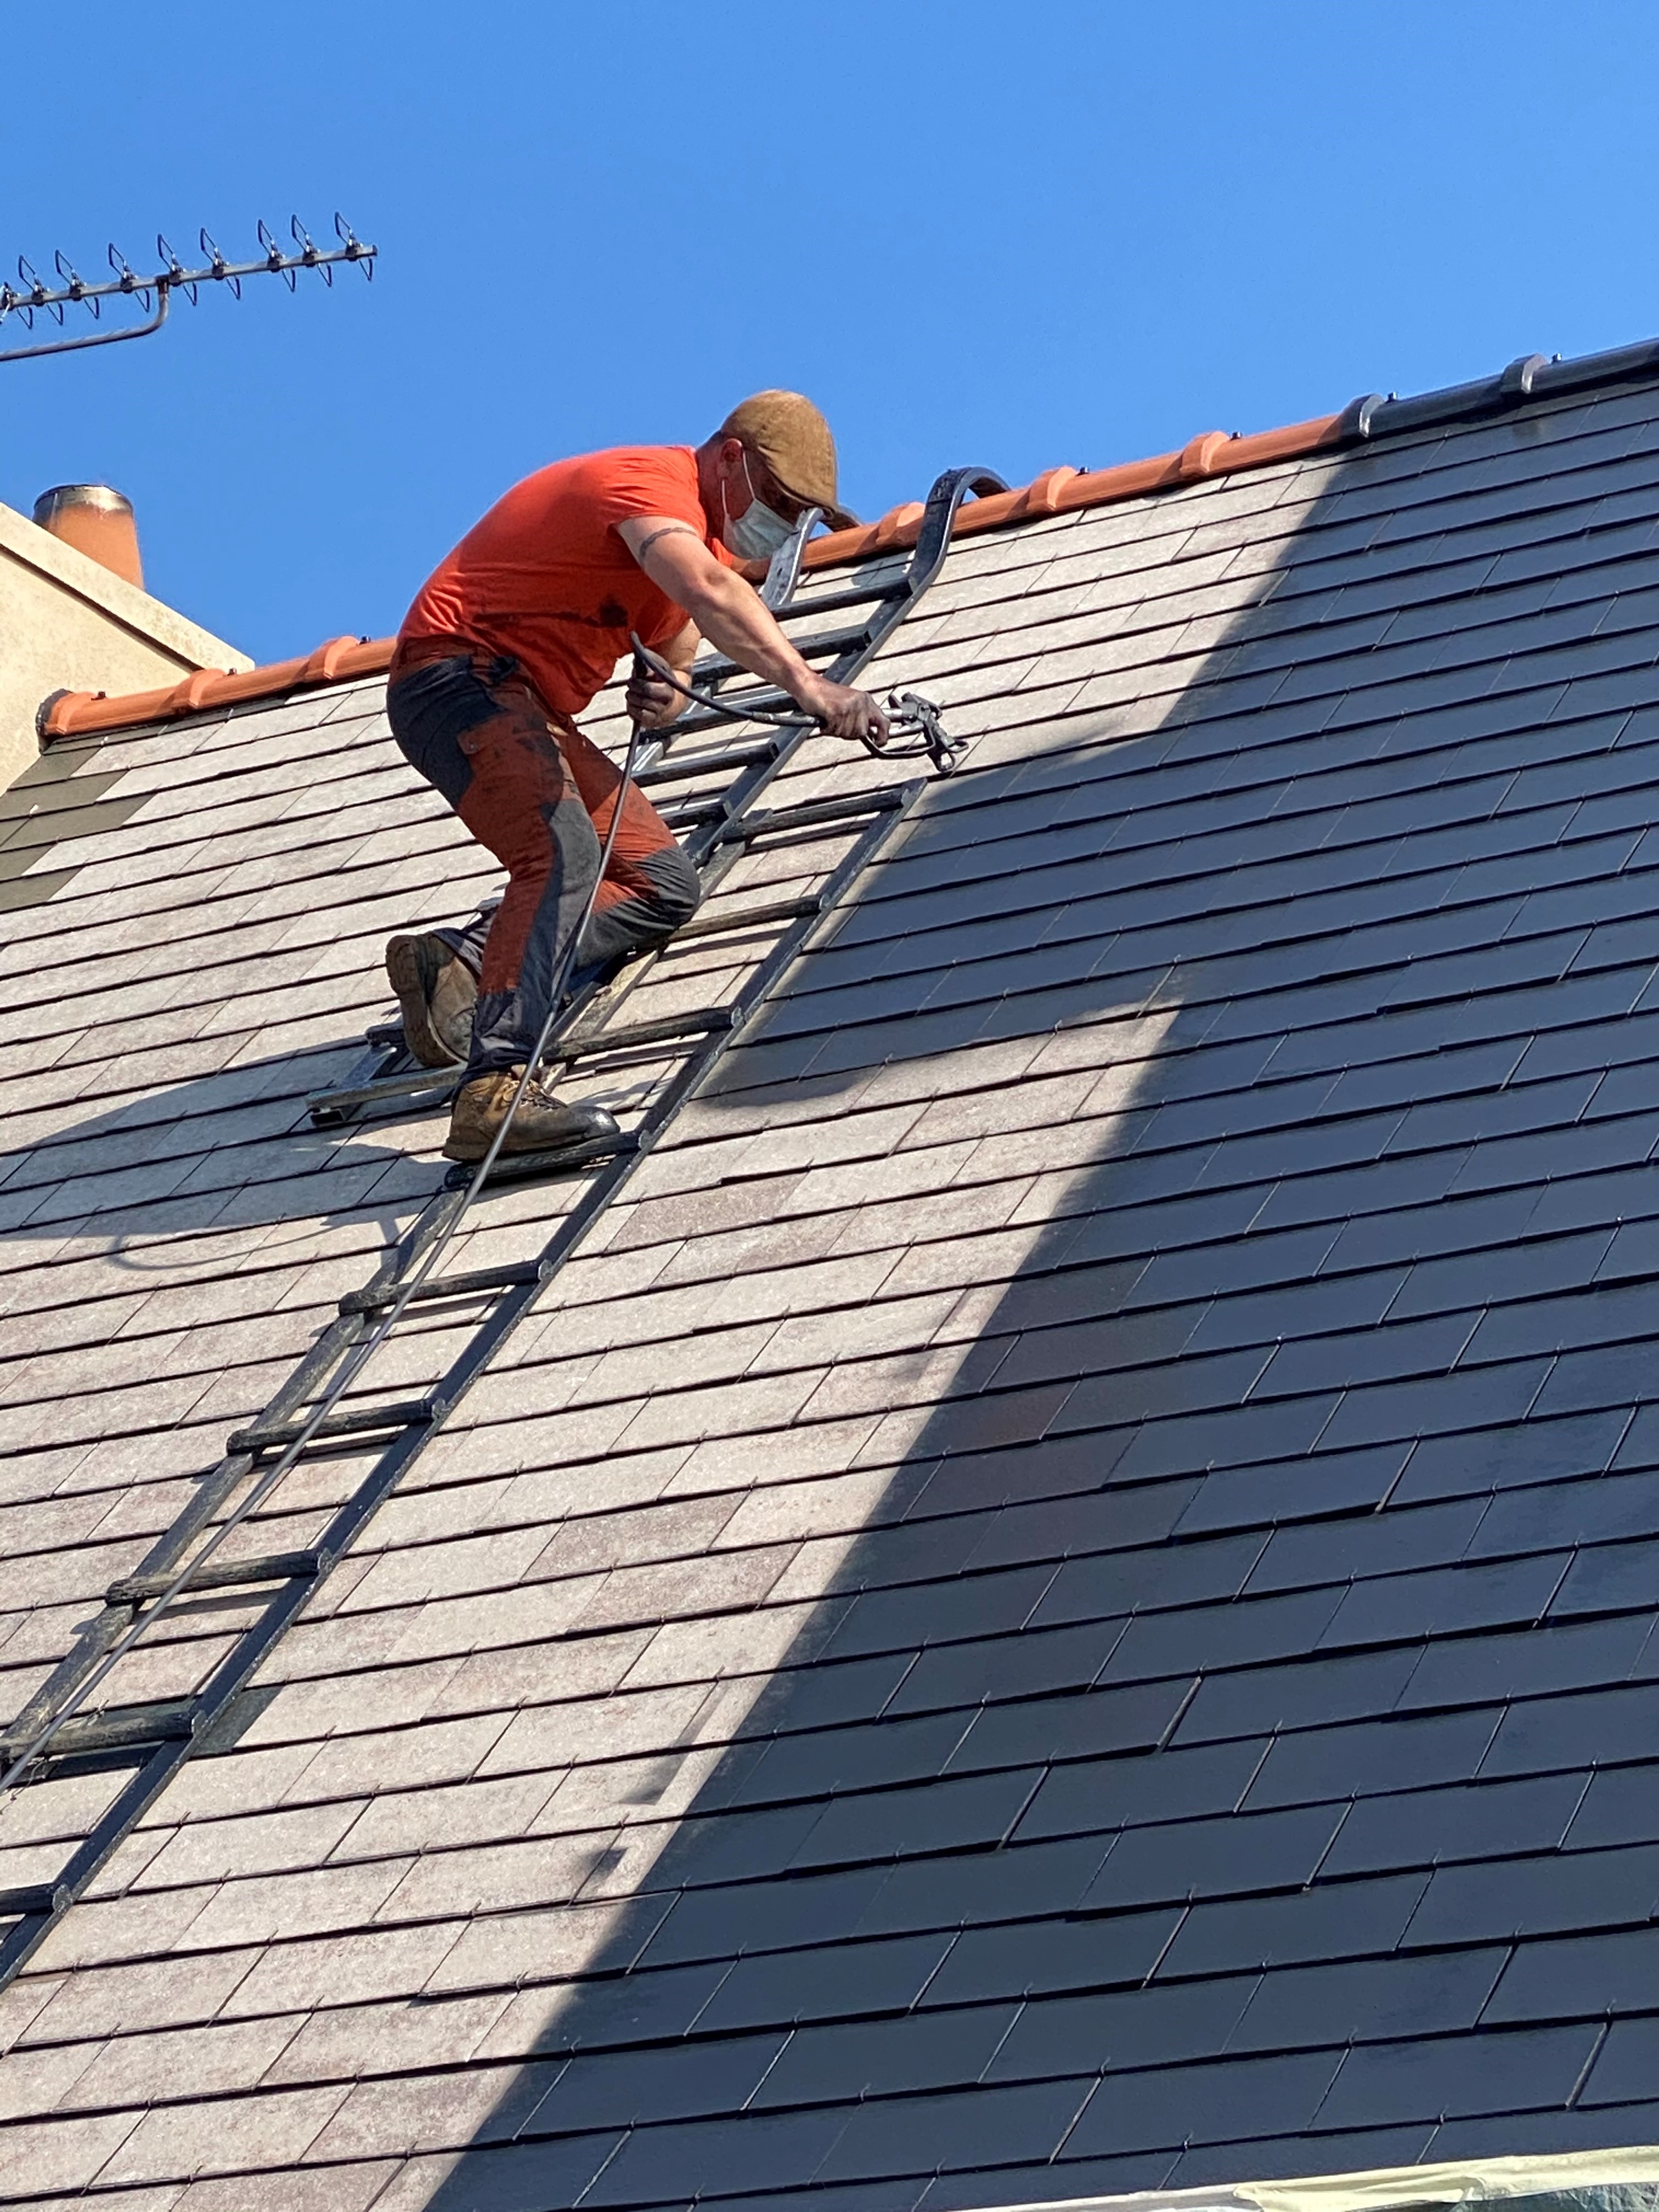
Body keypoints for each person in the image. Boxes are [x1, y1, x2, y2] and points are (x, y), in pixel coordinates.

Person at [383, 391, 890, 1164]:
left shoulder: (693, 543)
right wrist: (812, 687)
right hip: (457, 677)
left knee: (662, 885)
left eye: (799, 517)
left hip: (524, 706)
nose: (784, 527)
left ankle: (461, 965)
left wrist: (664, 682)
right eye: (780, 503)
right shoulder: (648, 484)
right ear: (729, 458)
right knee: (558, 857)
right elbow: (709, 593)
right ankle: (494, 1093)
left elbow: (679, 631)